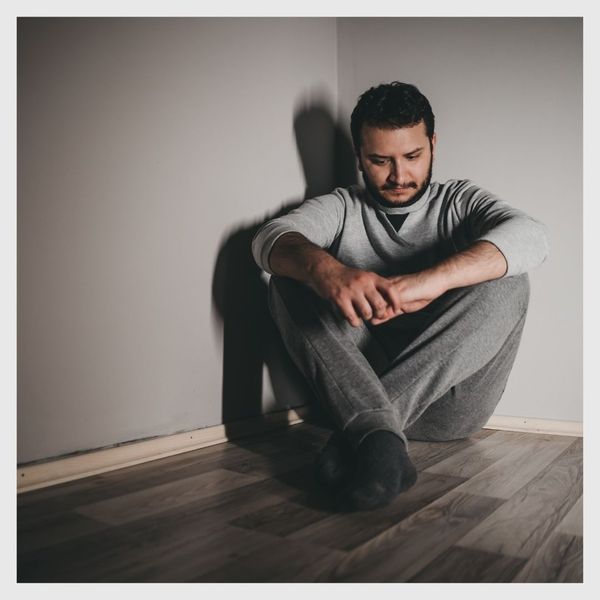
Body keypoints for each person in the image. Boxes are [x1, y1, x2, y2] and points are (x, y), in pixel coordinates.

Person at [251, 82, 549, 511]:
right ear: (358, 156)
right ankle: (381, 444)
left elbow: (533, 236)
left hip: (447, 409)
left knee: (510, 280)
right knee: (287, 278)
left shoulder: (459, 202)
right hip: (355, 392)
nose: (399, 176)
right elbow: (269, 238)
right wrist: (327, 272)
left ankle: (370, 436)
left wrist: (432, 281)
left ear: (432, 144)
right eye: (379, 160)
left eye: (412, 156)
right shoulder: (341, 207)